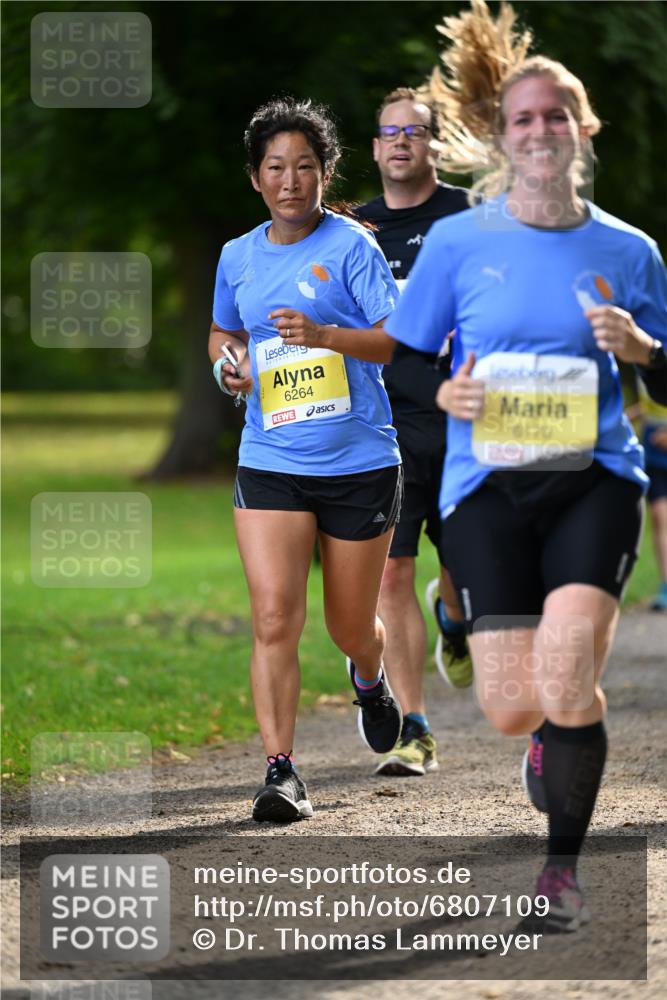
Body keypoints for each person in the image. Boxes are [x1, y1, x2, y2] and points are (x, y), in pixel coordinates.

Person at [382, 0, 667, 930]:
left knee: (570, 672)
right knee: (513, 708)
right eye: (522, 118)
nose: (540, 131)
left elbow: (665, 372)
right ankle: (467, 628)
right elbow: (406, 360)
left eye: (556, 115)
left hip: (595, 478)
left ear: (584, 128)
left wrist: (642, 350)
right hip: (486, 485)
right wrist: (447, 394)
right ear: (501, 137)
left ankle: (559, 875)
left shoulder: (629, 251)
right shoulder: (460, 241)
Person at [208, 97, 404, 823]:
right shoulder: (237, 255)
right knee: (272, 617)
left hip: (358, 462)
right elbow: (223, 333)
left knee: (349, 626)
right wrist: (228, 366)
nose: (289, 181)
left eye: (303, 167)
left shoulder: (353, 246)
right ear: (255, 177)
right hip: (270, 458)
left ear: (325, 173)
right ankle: (280, 771)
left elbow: (395, 341)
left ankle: (368, 674)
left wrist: (323, 335)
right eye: (275, 168)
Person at [355, 88, 472, 780]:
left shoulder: (470, 217)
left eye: (415, 131)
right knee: (391, 570)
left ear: (435, 143)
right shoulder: (354, 230)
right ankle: (414, 728)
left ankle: (455, 615)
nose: (401, 141)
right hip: (385, 428)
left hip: (464, 423)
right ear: (374, 148)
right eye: (390, 132)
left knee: (469, 572)